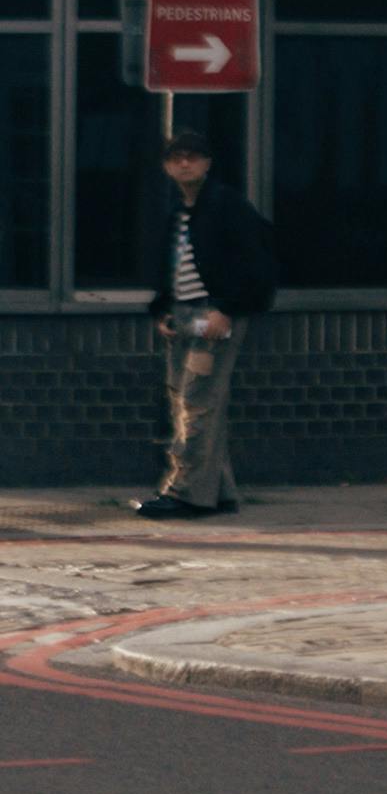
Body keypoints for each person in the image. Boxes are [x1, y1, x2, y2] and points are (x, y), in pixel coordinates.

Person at [137, 119, 278, 522]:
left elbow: (255, 263)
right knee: (187, 401)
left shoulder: (226, 206)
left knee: (196, 404)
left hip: (213, 316)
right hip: (183, 317)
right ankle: (219, 492)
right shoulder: (178, 212)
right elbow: (172, 268)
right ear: (166, 166)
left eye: (192, 158)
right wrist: (161, 309)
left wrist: (227, 308)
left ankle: (184, 493)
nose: (184, 165)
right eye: (176, 158)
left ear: (207, 164)